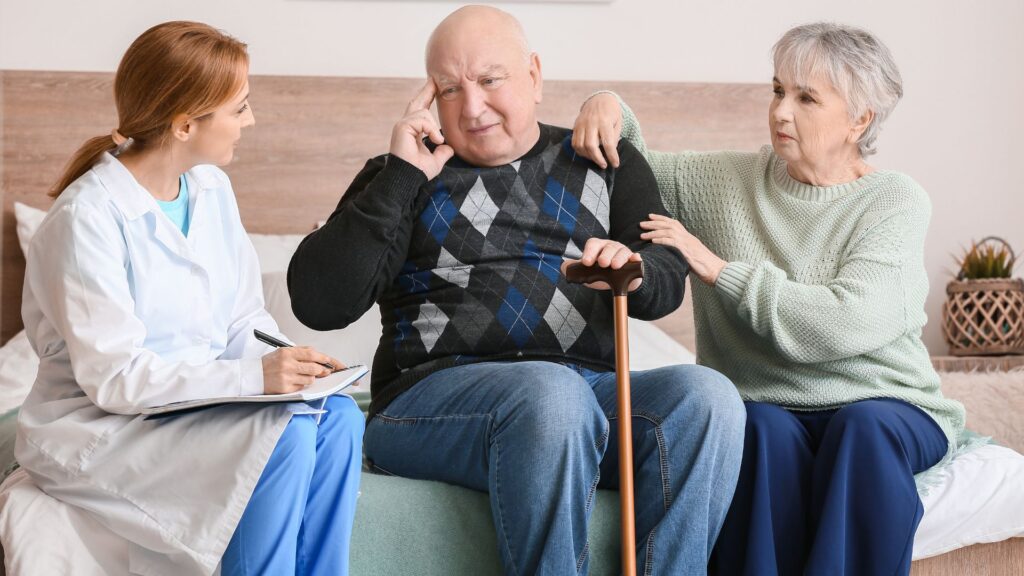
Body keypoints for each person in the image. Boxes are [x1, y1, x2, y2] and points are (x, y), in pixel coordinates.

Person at [287, 5, 745, 576]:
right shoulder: (401, 173)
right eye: (449, 89)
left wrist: (633, 266)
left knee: (708, 398)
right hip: (431, 403)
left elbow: (666, 274)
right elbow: (319, 303)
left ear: (534, 74)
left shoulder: (605, 164)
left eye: (489, 80)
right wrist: (401, 176)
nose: (471, 107)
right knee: (551, 395)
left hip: (584, 393)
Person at [572, 21, 967, 576]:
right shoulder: (725, 181)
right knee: (755, 428)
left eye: (807, 98)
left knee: (862, 429)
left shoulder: (894, 202)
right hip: (769, 402)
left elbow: (841, 324)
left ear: (860, 120)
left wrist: (717, 270)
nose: (781, 111)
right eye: (779, 89)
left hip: (888, 404)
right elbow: (631, 160)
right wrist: (604, 101)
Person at [15, 21, 363, 576]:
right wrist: (255, 381)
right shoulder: (86, 219)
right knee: (290, 433)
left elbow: (242, 316)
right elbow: (115, 380)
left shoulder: (210, 188)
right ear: (184, 124)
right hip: (104, 426)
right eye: (240, 109)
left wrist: (292, 365)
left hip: (197, 403)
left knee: (339, 417)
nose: (251, 122)